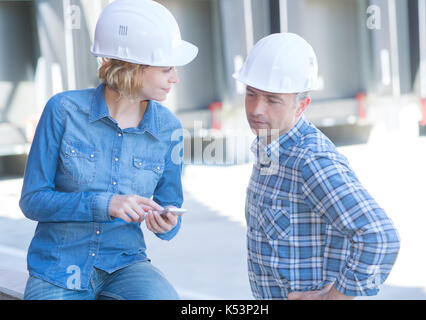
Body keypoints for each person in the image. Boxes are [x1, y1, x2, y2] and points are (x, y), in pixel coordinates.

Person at [19, 0, 197, 300]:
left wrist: (166, 223)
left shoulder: (169, 128)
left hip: (126, 265)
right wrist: (104, 204)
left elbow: (170, 215)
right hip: (58, 267)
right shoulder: (63, 110)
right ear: (132, 68)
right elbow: (32, 201)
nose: (175, 78)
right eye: (166, 68)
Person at [233, 33, 400, 300]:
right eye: (251, 94)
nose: (256, 109)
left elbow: (379, 236)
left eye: (272, 99)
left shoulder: (310, 161)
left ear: (301, 106)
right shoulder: (269, 147)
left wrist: (335, 297)